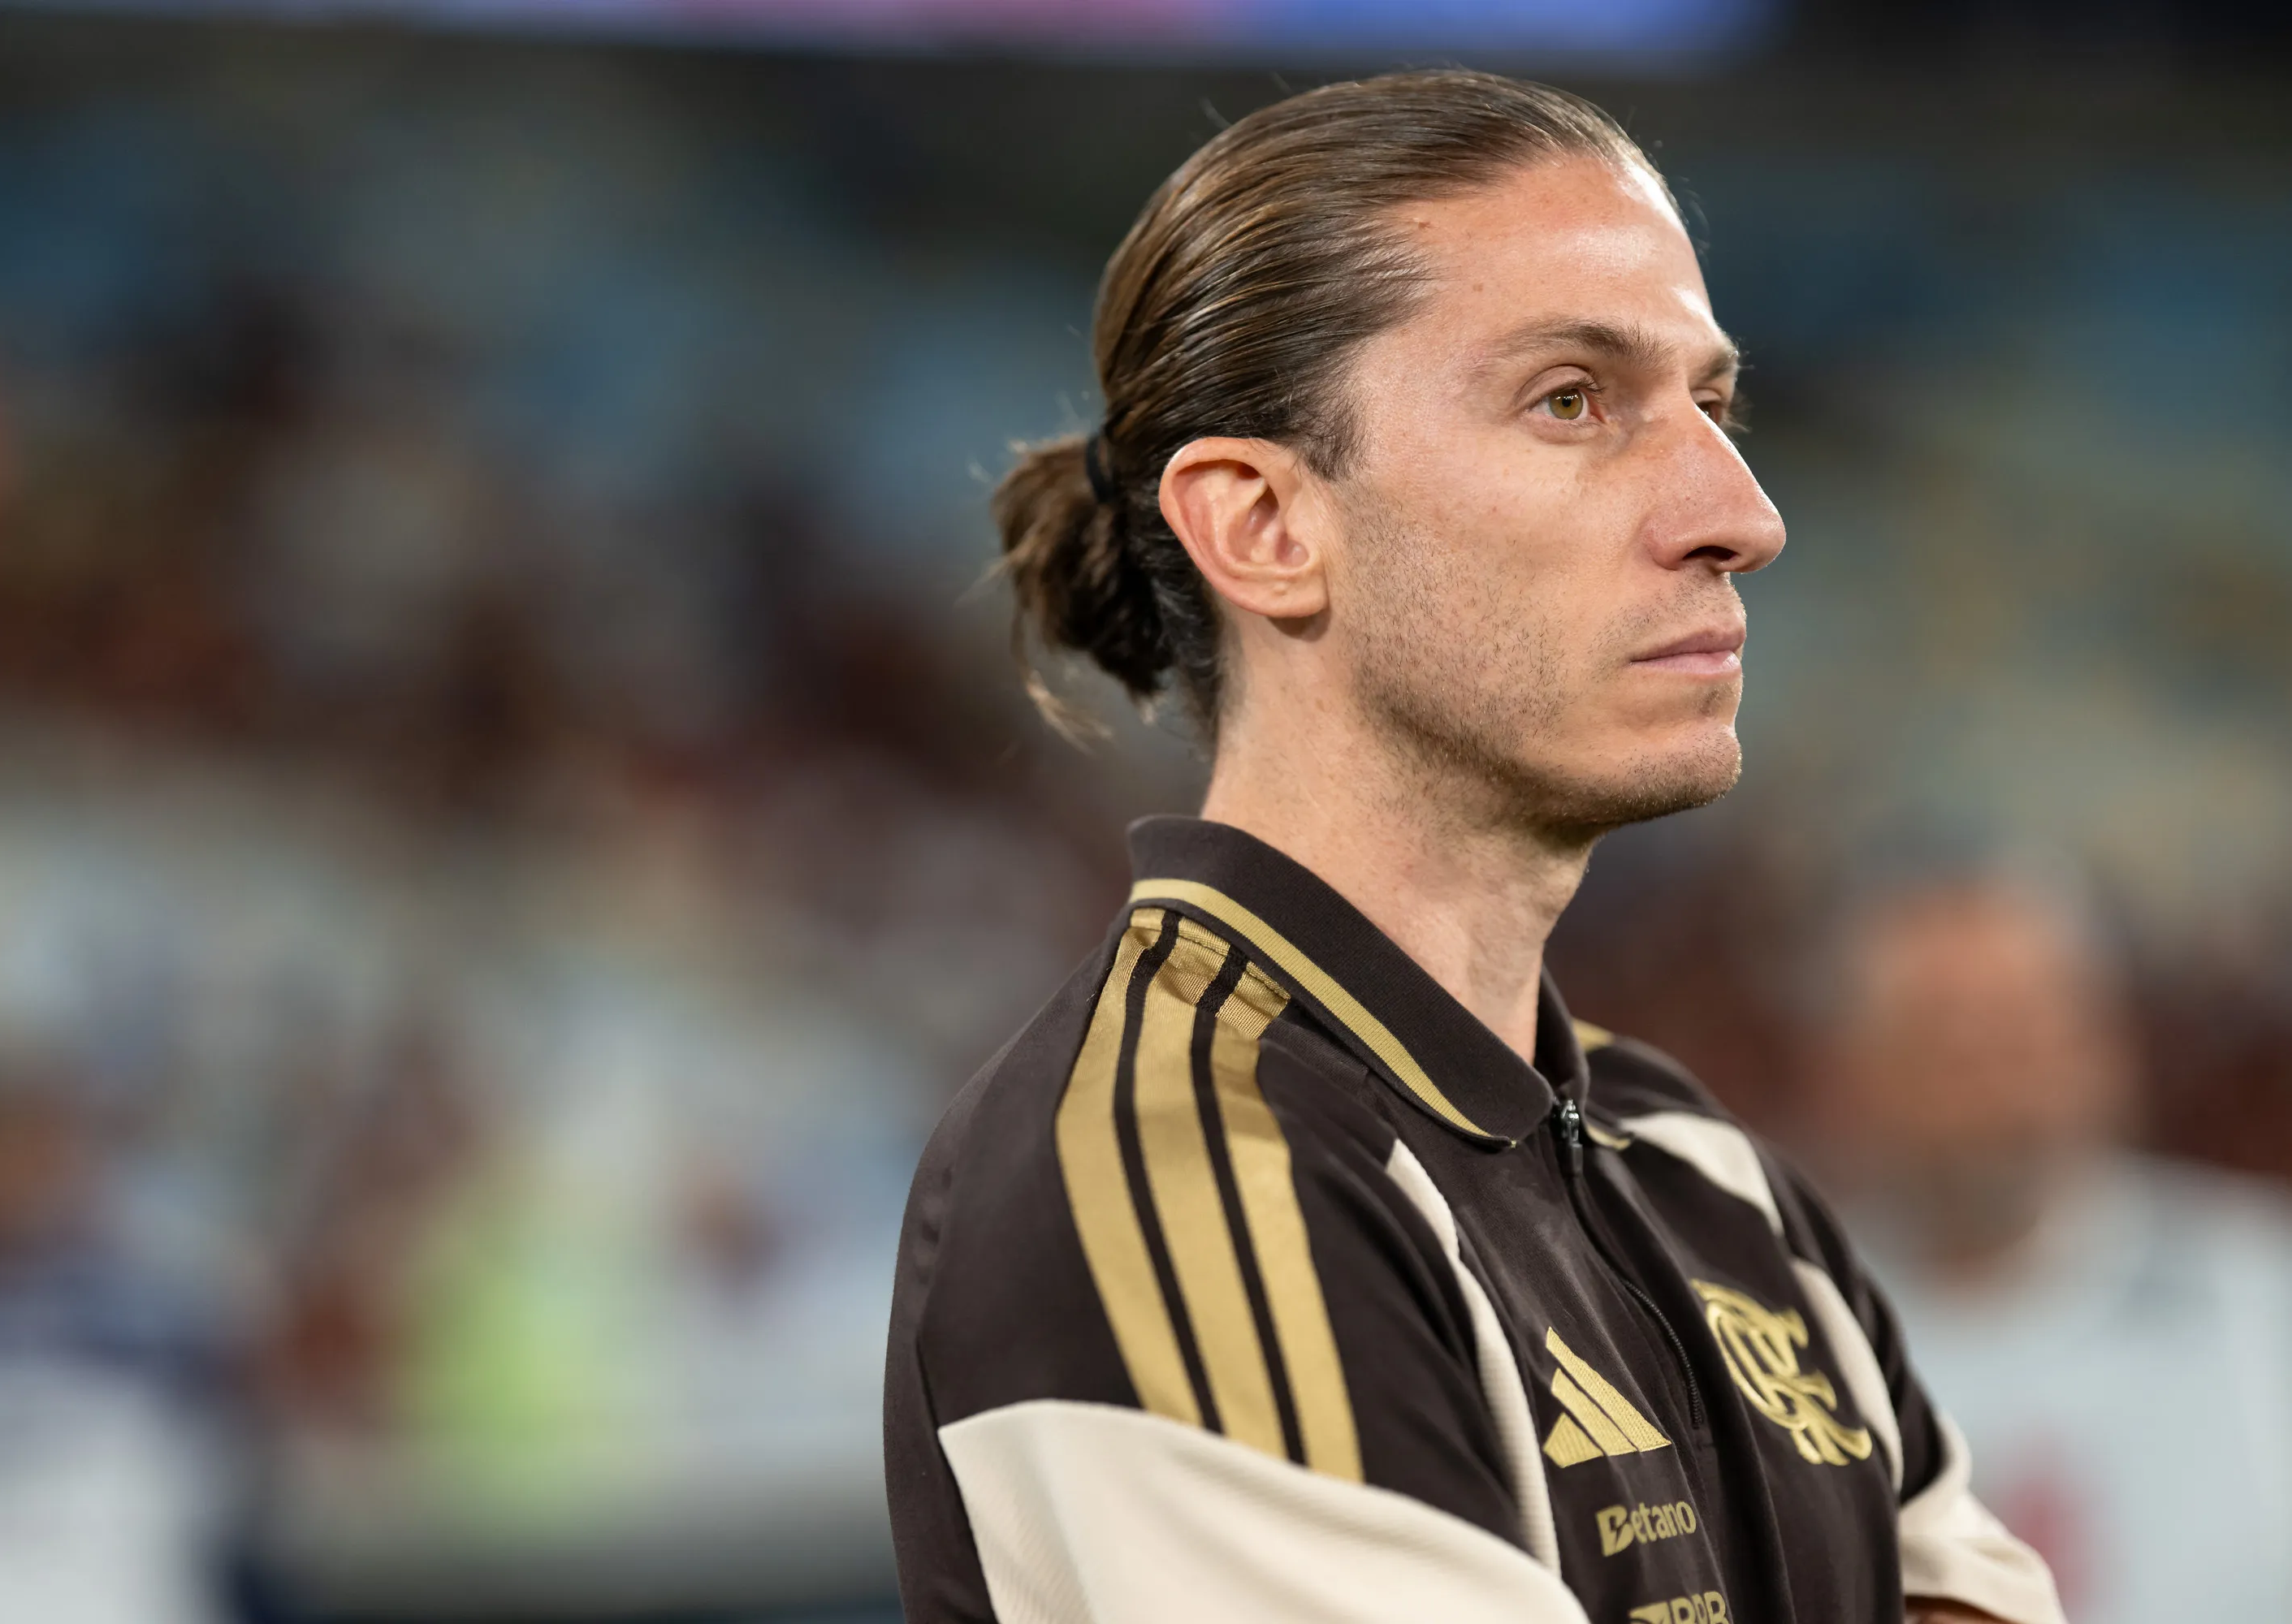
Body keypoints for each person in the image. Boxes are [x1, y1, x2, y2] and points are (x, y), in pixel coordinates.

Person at [882, 69, 2062, 1624]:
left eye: (1712, 404)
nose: (1743, 512)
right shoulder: (1178, 1173)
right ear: (1262, 526)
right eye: (1572, 398)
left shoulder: (1704, 1167)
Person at [1815, 870, 2292, 1624]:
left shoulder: (2265, 1298)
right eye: (1939, 1037)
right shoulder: (1784, 1321)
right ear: (1850, 1071)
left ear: (2106, 1048)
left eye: (2021, 1029)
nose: (1991, 1079)